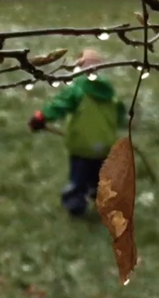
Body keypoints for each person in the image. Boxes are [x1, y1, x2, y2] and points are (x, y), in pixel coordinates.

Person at [28, 49, 128, 218]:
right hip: (105, 143)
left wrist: (41, 117)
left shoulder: (78, 89)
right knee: (100, 174)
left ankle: (75, 203)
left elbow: (59, 105)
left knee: (79, 178)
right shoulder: (110, 92)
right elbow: (120, 115)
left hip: (82, 145)